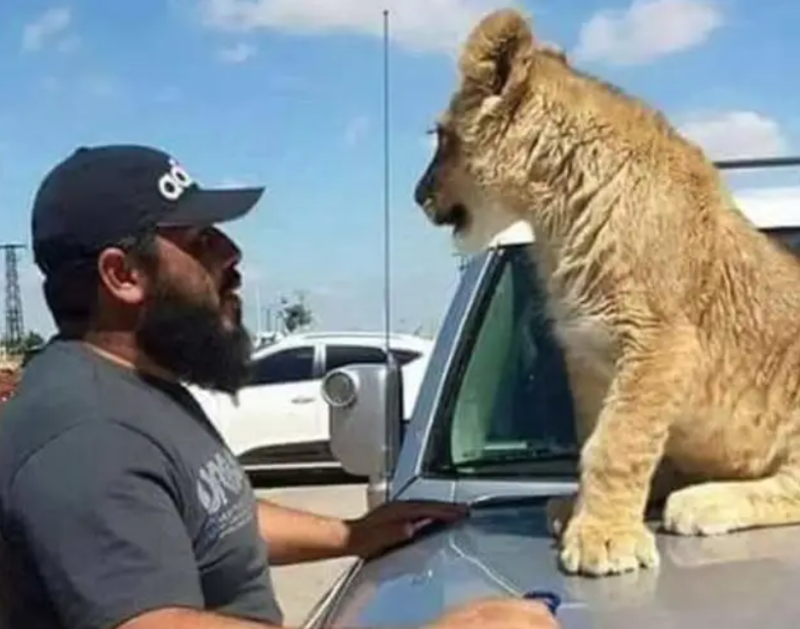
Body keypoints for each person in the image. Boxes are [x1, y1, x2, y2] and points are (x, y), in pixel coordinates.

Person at [0, 144, 560, 629]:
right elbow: (151, 622)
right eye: (199, 241)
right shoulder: (85, 434)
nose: (232, 254)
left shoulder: (138, 386)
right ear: (123, 276)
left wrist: (349, 535)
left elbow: (210, 520)